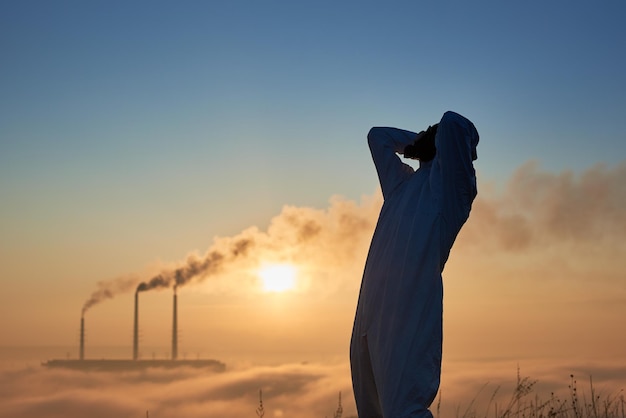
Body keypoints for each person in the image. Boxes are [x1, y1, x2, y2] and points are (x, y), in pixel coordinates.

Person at [350, 111, 479, 417]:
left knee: (404, 409)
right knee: (373, 411)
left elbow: (455, 124)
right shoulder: (401, 186)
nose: (428, 133)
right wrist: (415, 143)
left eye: (432, 133)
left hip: (409, 311)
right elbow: (377, 136)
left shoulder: (453, 193)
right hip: (369, 314)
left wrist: (430, 139)